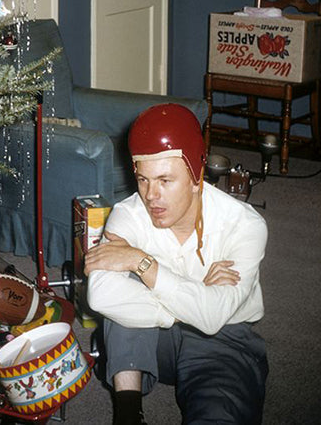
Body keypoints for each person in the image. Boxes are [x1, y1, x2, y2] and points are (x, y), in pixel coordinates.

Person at [85, 103, 268, 425]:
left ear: (197, 175)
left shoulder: (245, 225)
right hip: (152, 340)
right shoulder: (128, 214)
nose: (150, 195)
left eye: (165, 180)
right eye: (143, 179)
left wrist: (143, 263)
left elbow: (212, 320)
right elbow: (100, 296)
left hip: (223, 339)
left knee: (219, 415)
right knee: (120, 304)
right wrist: (196, 297)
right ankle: (128, 413)